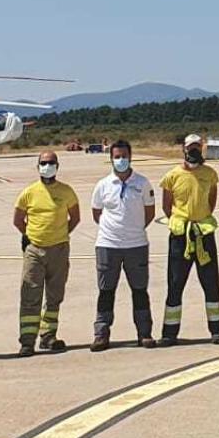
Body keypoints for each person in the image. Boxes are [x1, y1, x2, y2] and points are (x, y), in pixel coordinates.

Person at [88, 138, 156, 351]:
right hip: (108, 245)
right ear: (111, 159)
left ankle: (144, 333)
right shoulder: (103, 185)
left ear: (130, 157)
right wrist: (114, 231)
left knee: (140, 290)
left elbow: (150, 212)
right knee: (106, 290)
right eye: (117, 157)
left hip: (136, 245)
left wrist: (133, 229)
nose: (121, 160)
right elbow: (97, 213)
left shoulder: (142, 183)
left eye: (124, 156)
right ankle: (101, 334)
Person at [160, 133, 219, 345]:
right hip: (180, 236)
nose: (194, 151)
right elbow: (166, 205)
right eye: (190, 147)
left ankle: (216, 329)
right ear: (184, 149)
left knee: (211, 282)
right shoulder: (172, 176)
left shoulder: (210, 174)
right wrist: (180, 221)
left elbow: (211, 201)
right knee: (175, 283)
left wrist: (200, 217)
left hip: (203, 235)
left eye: (197, 147)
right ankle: (169, 333)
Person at [13, 149, 80, 354]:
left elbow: (75, 218)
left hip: (59, 249)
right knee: (30, 294)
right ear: (38, 166)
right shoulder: (29, 192)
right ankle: (27, 341)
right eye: (43, 163)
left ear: (57, 166)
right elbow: (18, 220)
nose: (47, 166)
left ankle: (48, 335)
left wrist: (60, 234)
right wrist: (32, 236)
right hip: (35, 250)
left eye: (51, 163)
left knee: (54, 294)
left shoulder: (67, 192)